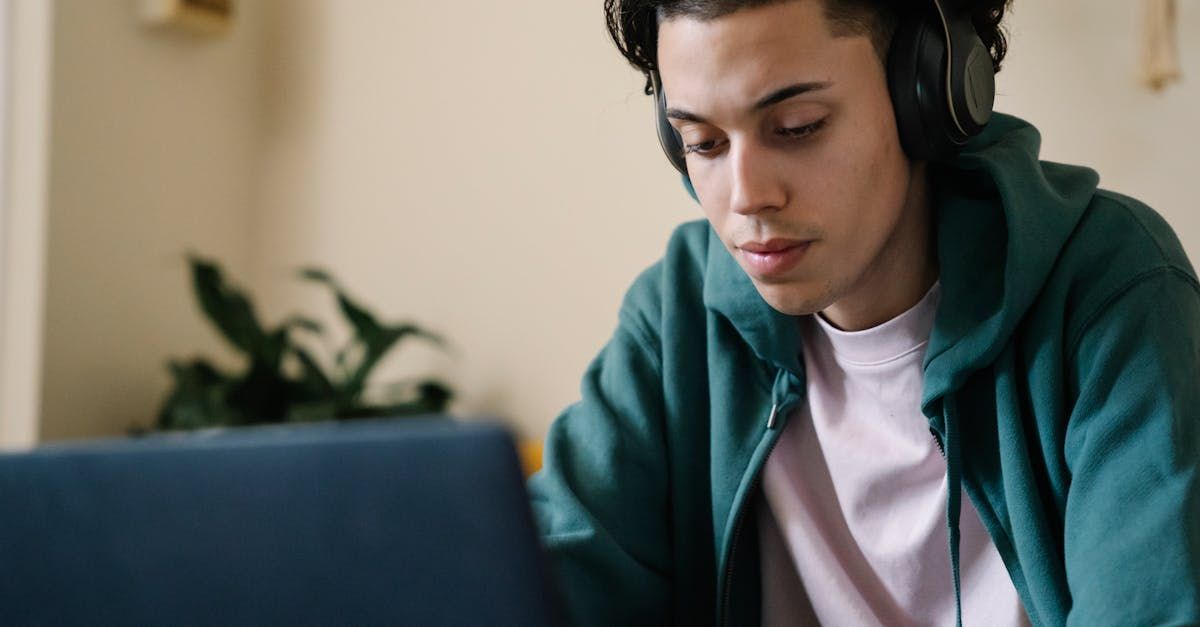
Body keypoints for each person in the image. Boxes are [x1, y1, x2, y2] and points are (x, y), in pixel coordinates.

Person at [527, 0, 1200, 624]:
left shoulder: (1112, 295)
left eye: (797, 127)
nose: (746, 196)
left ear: (929, 97)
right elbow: (543, 577)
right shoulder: (678, 312)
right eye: (703, 142)